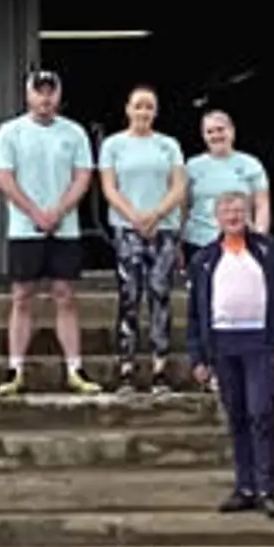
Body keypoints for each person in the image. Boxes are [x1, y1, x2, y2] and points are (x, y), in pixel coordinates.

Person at [185, 190, 274, 517]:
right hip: (223, 344)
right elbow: (195, 313)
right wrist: (198, 357)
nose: (233, 217)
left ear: (249, 213)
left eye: (239, 211)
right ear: (217, 218)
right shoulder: (204, 259)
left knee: (261, 413)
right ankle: (245, 486)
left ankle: (267, 487)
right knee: (236, 415)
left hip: (260, 342)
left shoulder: (270, 251)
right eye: (227, 212)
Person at [0, 68, 100, 398]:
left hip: (64, 228)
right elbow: (4, 178)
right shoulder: (10, 132)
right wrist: (35, 212)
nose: (45, 98)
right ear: (28, 95)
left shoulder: (75, 133)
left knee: (65, 296)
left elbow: (83, 176)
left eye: (50, 92)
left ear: (58, 96)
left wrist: (59, 211)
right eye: (39, 92)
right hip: (25, 228)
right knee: (22, 296)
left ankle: (74, 368)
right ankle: (15, 368)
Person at [99, 86, 188, 393]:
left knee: (160, 295)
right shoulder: (113, 145)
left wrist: (156, 215)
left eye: (149, 107)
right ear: (127, 109)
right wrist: (135, 217)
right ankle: (126, 368)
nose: (144, 112)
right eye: (138, 106)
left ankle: (160, 367)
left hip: (163, 229)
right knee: (129, 298)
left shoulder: (169, 145)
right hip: (127, 229)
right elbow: (110, 188)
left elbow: (178, 186)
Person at [182, 109, 270, 256]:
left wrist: (259, 238)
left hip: (241, 242)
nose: (216, 135)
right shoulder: (191, 166)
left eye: (220, 130)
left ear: (232, 131)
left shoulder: (251, 164)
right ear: (203, 136)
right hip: (198, 243)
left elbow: (262, 205)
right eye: (209, 132)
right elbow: (184, 207)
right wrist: (179, 241)